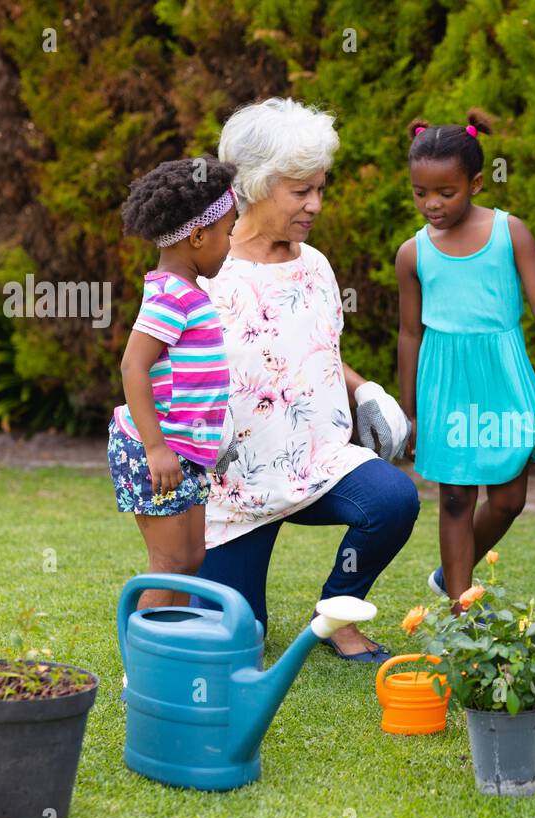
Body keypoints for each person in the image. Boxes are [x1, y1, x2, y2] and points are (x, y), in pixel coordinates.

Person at [192, 97, 419, 662]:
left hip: (315, 460)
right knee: (242, 639)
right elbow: (162, 370)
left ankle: (338, 614)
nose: (315, 203)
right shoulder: (206, 274)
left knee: (393, 499)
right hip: (235, 485)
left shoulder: (314, 264)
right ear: (254, 185)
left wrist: (364, 389)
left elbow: (310, 353)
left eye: (321, 187)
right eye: (301, 191)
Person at [395, 110, 535, 608]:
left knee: (509, 499)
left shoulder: (510, 233)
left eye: (445, 193)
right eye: (419, 192)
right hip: (445, 381)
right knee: (454, 498)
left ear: (474, 183)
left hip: (504, 377)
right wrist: (408, 408)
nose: (431, 204)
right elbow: (409, 334)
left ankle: (454, 569)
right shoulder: (413, 254)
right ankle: (458, 608)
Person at [109, 156, 237, 610]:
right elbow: (132, 367)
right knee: (168, 559)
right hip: (156, 449)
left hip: (186, 448)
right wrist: (156, 447)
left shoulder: (190, 292)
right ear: (199, 236)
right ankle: (143, 666)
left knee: (190, 556)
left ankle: (174, 649)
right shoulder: (169, 294)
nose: (231, 243)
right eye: (228, 232)